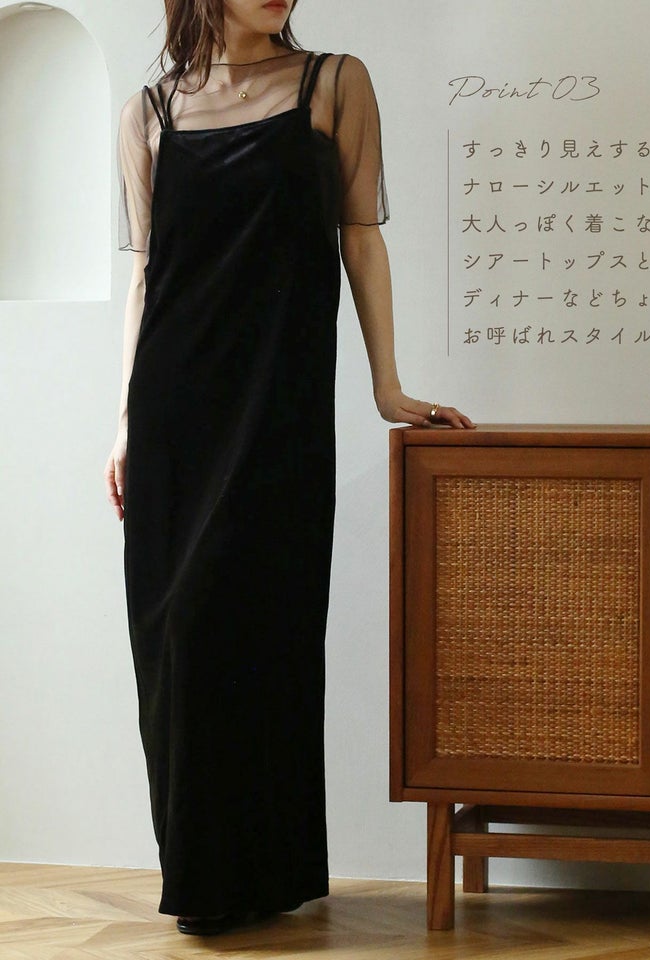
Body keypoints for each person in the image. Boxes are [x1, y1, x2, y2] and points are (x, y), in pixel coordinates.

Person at [103, 0, 472, 939]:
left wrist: (387, 385)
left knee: (259, 630)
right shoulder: (149, 112)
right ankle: (205, 876)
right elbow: (145, 273)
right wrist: (124, 422)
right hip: (175, 410)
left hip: (280, 405)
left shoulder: (335, 84)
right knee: (176, 638)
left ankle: (264, 870)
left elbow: (361, 237)